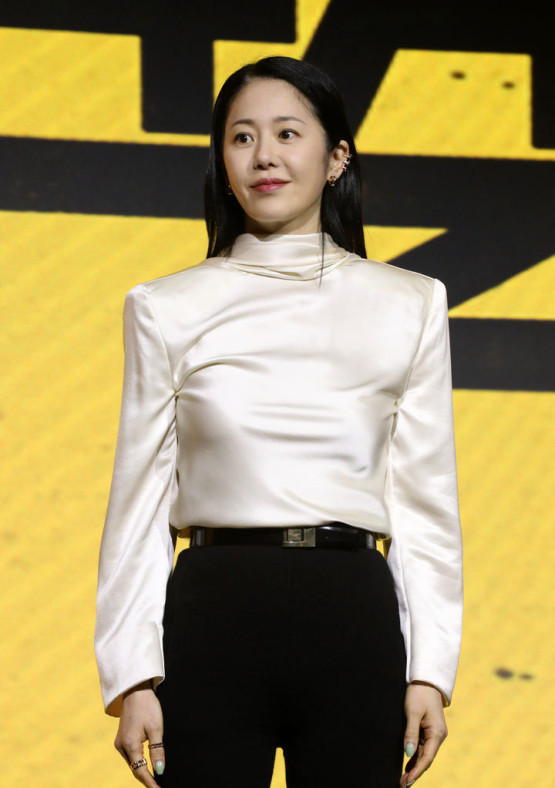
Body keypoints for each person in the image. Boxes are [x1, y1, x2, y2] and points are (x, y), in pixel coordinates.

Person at [94, 55, 463, 788]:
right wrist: (132, 676)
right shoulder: (164, 307)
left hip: (353, 613)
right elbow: (138, 504)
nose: (264, 155)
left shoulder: (412, 302)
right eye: (242, 137)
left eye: (288, 133)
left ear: (336, 158)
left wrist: (430, 669)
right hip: (213, 612)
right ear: (222, 163)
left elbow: (426, 505)